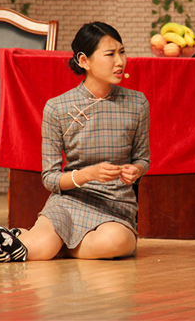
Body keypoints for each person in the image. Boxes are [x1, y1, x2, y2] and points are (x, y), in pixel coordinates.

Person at [16, 21, 150, 260]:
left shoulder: (137, 103)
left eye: (122, 52)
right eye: (110, 54)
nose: (120, 61)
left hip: (116, 205)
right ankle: (47, 241)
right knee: (38, 249)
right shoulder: (57, 107)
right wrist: (89, 174)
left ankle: (61, 244)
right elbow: (50, 178)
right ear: (84, 61)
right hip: (69, 201)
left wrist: (137, 170)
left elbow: (142, 159)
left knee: (114, 242)